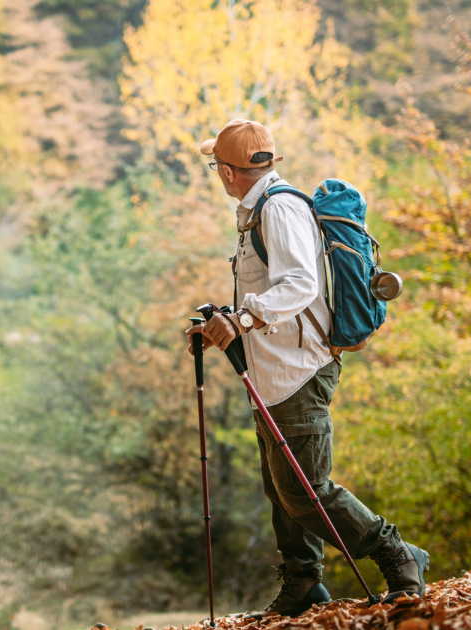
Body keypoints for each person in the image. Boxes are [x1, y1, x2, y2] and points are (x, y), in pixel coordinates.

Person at [185, 119, 429, 616]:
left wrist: (244, 317)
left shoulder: (279, 209)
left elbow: (299, 285)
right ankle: (303, 583)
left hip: (300, 369)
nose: (217, 174)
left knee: (305, 491)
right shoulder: (258, 211)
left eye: (217, 166)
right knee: (281, 487)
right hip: (274, 370)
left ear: (229, 172)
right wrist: (224, 322)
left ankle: (399, 556)